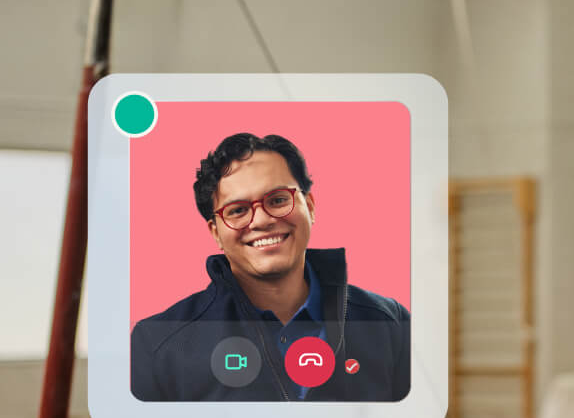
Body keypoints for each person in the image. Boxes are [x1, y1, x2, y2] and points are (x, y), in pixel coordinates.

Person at [130, 132, 410, 402]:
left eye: (278, 200)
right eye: (237, 210)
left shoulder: (389, 324)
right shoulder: (158, 343)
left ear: (310, 206)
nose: (262, 220)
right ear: (216, 233)